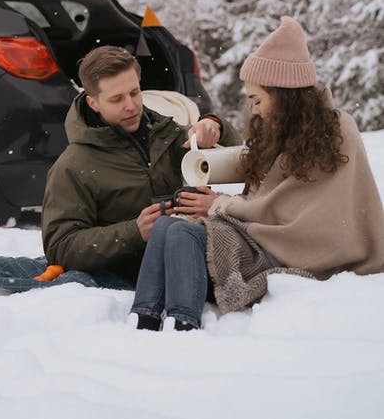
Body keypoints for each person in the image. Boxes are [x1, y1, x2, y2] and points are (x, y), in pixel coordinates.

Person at [129, 17, 384, 331]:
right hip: (269, 237)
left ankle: (184, 327)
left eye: (258, 100)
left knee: (185, 233)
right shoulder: (280, 131)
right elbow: (263, 193)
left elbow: (291, 210)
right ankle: (143, 318)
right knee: (168, 225)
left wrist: (220, 205)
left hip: (303, 250)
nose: (255, 110)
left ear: (283, 94)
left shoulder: (335, 129)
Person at [41, 45, 242, 285]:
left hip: (184, 260)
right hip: (126, 282)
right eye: (117, 99)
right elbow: (59, 247)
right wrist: (134, 233)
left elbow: (236, 155)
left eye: (135, 92)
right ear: (93, 102)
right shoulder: (72, 166)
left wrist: (214, 125)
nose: (131, 106)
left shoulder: (164, 134)